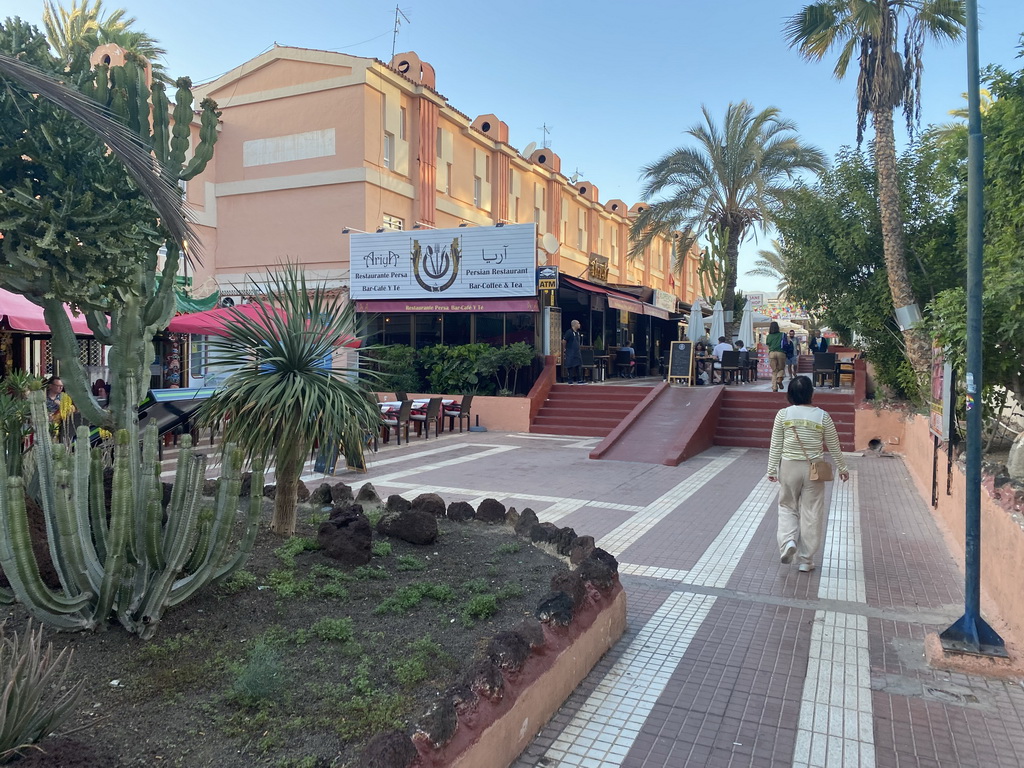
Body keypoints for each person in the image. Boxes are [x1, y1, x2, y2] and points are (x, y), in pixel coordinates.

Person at [766, 376, 850, 572]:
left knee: (787, 506)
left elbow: (776, 444)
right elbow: (833, 445)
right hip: (814, 468)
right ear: (811, 393)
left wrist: (771, 469)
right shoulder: (823, 416)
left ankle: (788, 542)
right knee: (812, 512)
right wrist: (842, 468)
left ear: (790, 394)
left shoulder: (783, 415)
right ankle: (806, 560)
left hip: (788, 467)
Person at [765, 321, 787, 392]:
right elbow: (786, 344)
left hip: (772, 353)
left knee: (774, 371)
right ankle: (779, 379)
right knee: (781, 369)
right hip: (781, 353)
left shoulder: (769, 336)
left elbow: (768, 345)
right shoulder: (782, 334)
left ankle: (774, 387)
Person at [562, 319, 584, 384]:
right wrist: (564, 348)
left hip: (577, 351)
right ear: (574, 324)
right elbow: (564, 341)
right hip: (570, 351)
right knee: (570, 365)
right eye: (578, 323)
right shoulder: (569, 332)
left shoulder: (577, 333)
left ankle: (579, 379)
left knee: (579, 365)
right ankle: (570, 379)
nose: (579, 325)